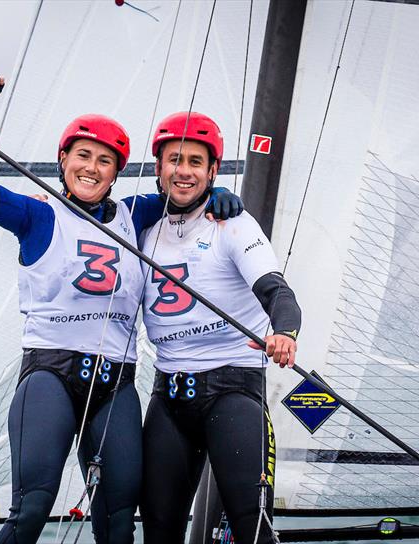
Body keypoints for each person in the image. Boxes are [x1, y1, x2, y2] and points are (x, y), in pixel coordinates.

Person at [0, 74, 244, 544]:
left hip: (116, 387)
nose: (92, 168)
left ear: (116, 172)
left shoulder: (137, 214)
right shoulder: (36, 214)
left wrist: (222, 198)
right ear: (63, 159)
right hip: (51, 377)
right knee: (32, 507)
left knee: (117, 517)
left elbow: (185, 187)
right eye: (82, 156)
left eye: (105, 161)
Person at [139, 112, 302, 543]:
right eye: (175, 160)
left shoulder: (234, 224)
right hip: (168, 397)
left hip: (232, 391)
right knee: (158, 532)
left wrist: (285, 332)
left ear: (213, 171)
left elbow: (277, 292)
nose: (184, 171)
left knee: (251, 528)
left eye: (196, 161)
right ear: (158, 168)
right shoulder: (139, 224)